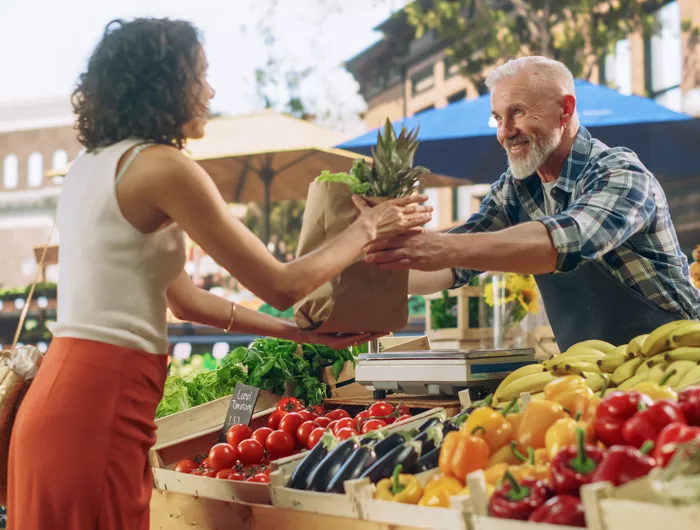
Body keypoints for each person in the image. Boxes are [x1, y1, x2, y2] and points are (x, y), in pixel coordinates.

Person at [7, 17, 432, 530]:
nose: (210, 90)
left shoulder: (92, 166)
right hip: (101, 407)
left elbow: (184, 300)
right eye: (200, 75)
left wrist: (295, 332)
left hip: (61, 403)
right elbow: (279, 283)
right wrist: (368, 228)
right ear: (164, 83)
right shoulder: (165, 166)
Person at [366, 56, 700, 352]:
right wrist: (366, 267)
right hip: (590, 374)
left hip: (673, 364)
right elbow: (451, 264)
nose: (505, 133)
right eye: (497, 118)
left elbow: (569, 240)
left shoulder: (621, 173)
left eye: (518, 112)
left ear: (565, 110)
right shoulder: (516, 189)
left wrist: (443, 246)